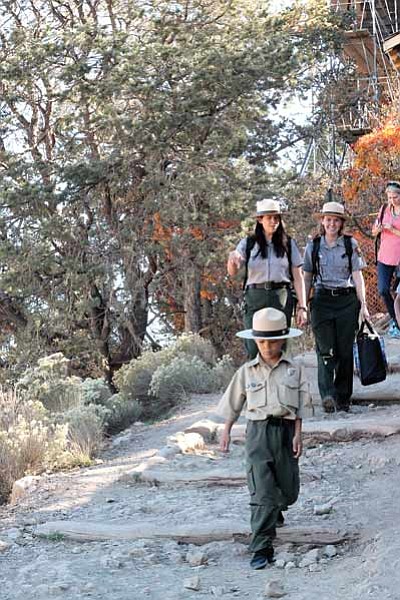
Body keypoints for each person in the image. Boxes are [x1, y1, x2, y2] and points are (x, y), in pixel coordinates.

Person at [217, 307, 312, 570]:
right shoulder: (247, 372)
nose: (267, 346)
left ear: (283, 340)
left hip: (284, 432)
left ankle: (276, 508)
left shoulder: (294, 370)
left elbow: (301, 407)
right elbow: (234, 403)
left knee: (289, 489)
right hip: (257, 433)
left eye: (272, 341)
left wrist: (298, 435)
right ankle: (261, 547)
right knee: (261, 492)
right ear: (254, 341)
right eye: (261, 341)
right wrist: (226, 430)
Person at [303, 201, 369, 413]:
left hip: (346, 301)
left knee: (344, 350)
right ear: (322, 221)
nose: (332, 224)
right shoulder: (313, 246)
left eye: (336, 220)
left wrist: (364, 305)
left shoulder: (351, 245)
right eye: (328, 219)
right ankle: (328, 395)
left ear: (341, 223)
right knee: (325, 349)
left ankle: (343, 397)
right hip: (322, 300)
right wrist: (303, 305)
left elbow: (358, 276)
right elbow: (306, 277)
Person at [227, 198, 307, 359]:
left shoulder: (288, 244)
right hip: (255, 298)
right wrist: (232, 259)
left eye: (276, 217)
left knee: (280, 348)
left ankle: (280, 383)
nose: (273, 221)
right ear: (260, 219)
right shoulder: (248, 243)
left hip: (281, 297)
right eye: (269, 217)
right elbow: (233, 271)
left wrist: (302, 307)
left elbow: (298, 278)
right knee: (254, 348)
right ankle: (257, 383)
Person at [372, 180, 400, 338]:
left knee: (399, 294)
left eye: (395, 197)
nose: (392, 200)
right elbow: (374, 231)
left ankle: (398, 323)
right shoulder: (383, 210)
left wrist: (393, 229)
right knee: (383, 289)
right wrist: (378, 229)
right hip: (385, 257)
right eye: (389, 197)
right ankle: (396, 321)